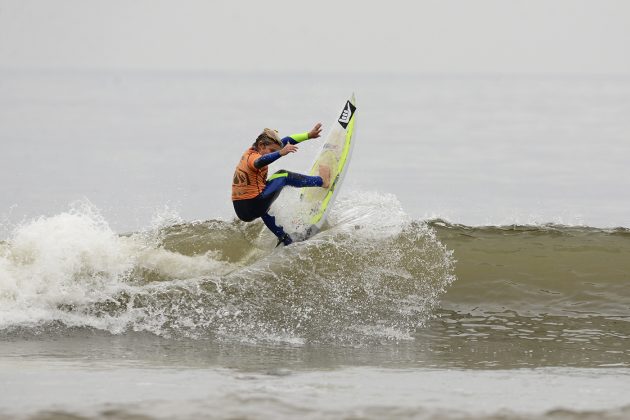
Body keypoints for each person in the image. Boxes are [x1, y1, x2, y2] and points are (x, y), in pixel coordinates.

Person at [231, 123, 330, 246]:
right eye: (272, 151)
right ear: (261, 145)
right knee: (283, 175)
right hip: (253, 204)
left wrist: (308, 135)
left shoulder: (258, 149)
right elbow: (259, 162)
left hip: (242, 210)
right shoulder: (252, 158)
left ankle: (284, 238)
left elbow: (286, 141)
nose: (274, 153)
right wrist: (280, 153)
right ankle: (322, 181)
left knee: (264, 200)